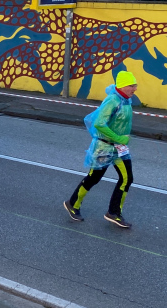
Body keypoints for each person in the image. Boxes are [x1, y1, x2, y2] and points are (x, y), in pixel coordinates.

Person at [64, 71, 138, 229]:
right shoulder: (112, 100)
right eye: (132, 85)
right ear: (122, 86)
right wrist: (118, 138)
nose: (135, 88)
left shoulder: (126, 100)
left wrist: (122, 139)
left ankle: (114, 213)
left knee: (127, 178)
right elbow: (99, 123)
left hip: (119, 149)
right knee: (94, 178)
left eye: (135, 85)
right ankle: (72, 204)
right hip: (104, 147)